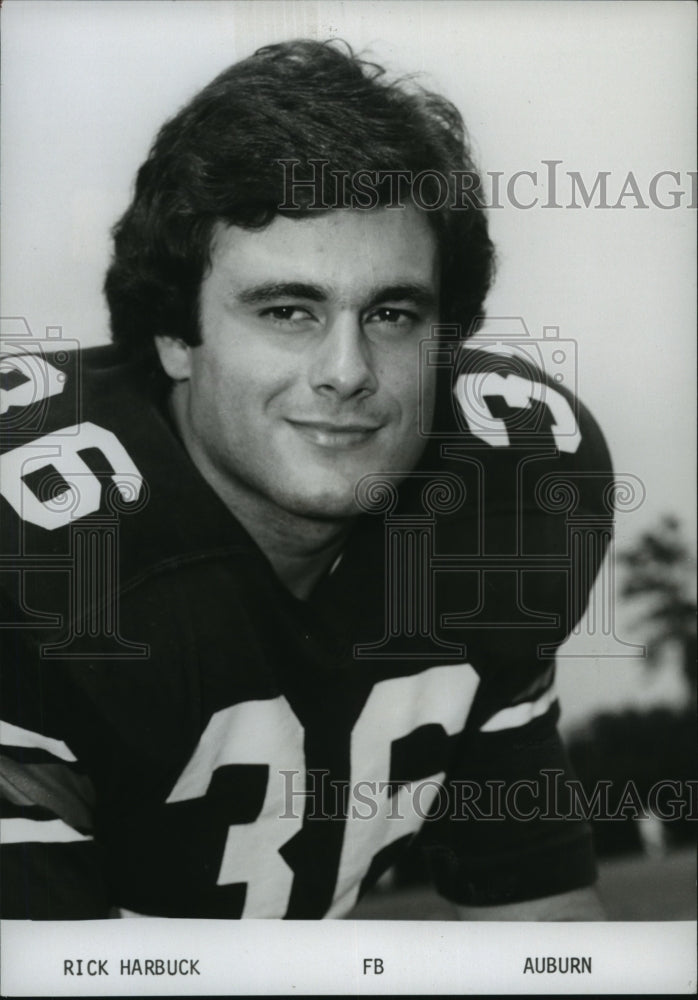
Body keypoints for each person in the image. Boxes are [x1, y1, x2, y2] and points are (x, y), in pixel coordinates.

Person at [0, 39, 613, 920]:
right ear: (175, 333)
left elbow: (545, 926)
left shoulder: (502, 493)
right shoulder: (49, 547)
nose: (346, 370)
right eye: (288, 311)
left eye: (393, 314)